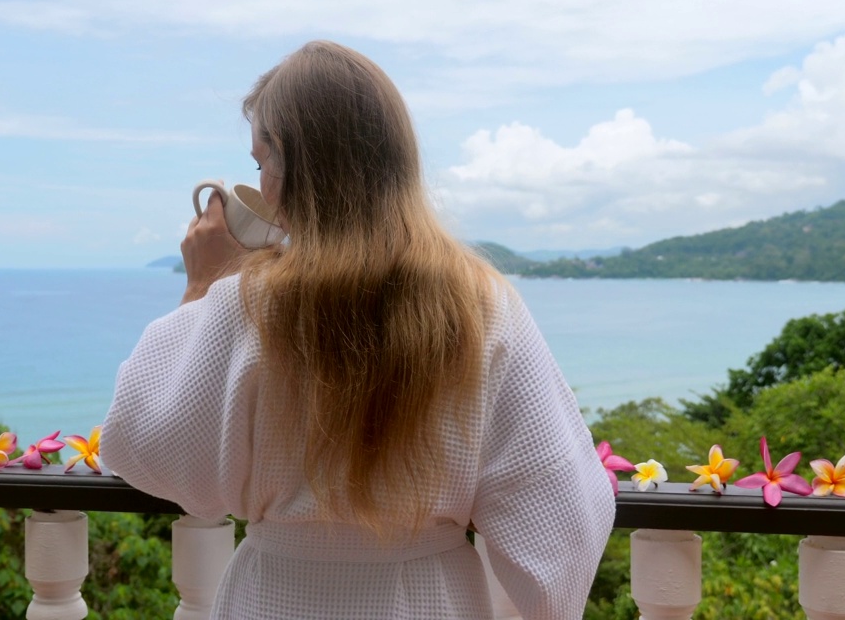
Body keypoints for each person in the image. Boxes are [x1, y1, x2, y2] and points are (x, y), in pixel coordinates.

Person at [99, 41, 615, 619]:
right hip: (431, 597)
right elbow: (564, 513)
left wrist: (201, 289)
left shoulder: (247, 305)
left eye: (261, 162)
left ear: (294, 166)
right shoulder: (482, 305)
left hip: (277, 596)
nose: (261, 184)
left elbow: (145, 448)